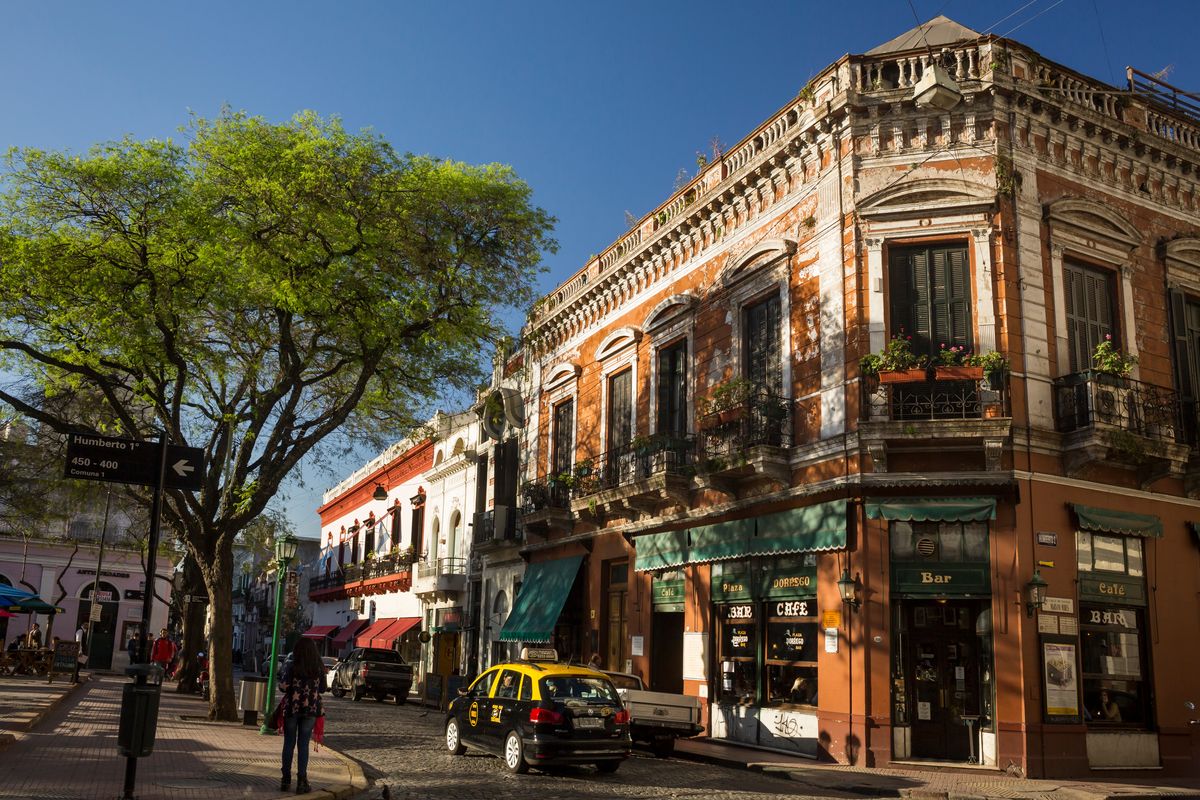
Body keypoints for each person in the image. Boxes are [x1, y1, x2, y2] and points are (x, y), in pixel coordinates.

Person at [278, 637, 326, 794]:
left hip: (292, 708)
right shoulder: (318, 667)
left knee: (289, 743)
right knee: (303, 744)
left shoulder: (291, 665)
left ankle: (285, 780)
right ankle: (301, 781)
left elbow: (283, 687)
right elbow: (323, 688)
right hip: (310, 709)